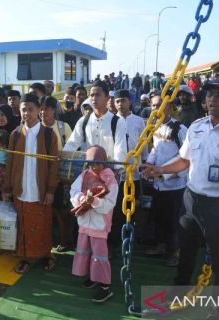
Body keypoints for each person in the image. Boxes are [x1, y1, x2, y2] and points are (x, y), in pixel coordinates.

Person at [141, 76, 219, 319]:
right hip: (190, 201)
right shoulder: (196, 127)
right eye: (209, 94)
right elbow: (184, 160)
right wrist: (160, 169)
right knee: (186, 252)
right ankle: (175, 297)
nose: (212, 99)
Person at [2, 93, 59, 274]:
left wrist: (50, 190)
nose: (27, 113)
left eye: (30, 109)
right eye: (23, 109)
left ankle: (46, 254)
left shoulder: (49, 135)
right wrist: (7, 188)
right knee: (23, 224)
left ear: (38, 111)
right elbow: (10, 162)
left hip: (40, 190)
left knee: (43, 223)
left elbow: (54, 166)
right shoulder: (16, 135)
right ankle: (25, 257)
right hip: (21, 189)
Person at [143, 94, 187, 267]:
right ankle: (161, 246)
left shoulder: (180, 129)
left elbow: (186, 156)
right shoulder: (155, 128)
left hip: (174, 184)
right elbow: (155, 149)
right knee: (158, 216)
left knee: (174, 220)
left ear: (169, 107)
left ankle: (175, 251)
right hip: (158, 183)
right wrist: (148, 164)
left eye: (160, 105)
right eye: (153, 106)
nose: (156, 109)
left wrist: (168, 174)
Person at [70, 145, 118, 303]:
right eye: (91, 163)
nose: (94, 167)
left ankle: (105, 286)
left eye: (97, 163)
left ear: (104, 162)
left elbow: (110, 203)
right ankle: (94, 277)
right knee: (86, 250)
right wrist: (81, 198)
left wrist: (94, 201)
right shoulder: (84, 175)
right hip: (84, 223)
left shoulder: (111, 179)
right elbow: (73, 190)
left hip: (99, 224)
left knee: (100, 255)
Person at [111, 90, 148, 251]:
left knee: (133, 206)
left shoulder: (139, 121)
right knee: (117, 206)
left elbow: (144, 144)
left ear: (130, 102)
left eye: (123, 100)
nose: (120, 104)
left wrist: (144, 163)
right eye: (117, 101)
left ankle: (132, 238)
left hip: (135, 170)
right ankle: (116, 239)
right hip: (116, 173)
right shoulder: (111, 120)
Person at [64, 80, 128, 167]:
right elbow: (71, 144)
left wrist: (116, 171)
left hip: (109, 173)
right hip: (87, 172)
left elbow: (120, 150)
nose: (94, 98)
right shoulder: (83, 121)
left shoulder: (118, 122)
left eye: (97, 95)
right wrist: (62, 160)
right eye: (92, 95)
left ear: (107, 97)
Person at [40, 96, 73, 252]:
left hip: (60, 176)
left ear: (54, 109)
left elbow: (71, 152)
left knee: (60, 210)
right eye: (41, 108)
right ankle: (47, 238)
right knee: (44, 210)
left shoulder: (63, 127)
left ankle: (64, 240)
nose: (43, 112)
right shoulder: (35, 128)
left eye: (47, 108)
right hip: (40, 176)